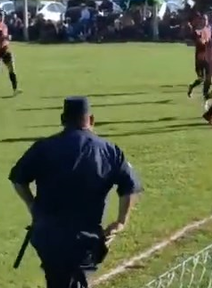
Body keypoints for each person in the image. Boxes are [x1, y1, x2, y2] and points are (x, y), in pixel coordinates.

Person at [8, 97, 142, 288]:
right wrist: (121, 221)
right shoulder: (109, 151)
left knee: (56, 280)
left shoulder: (43, 147)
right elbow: (130, 186)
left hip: (48, 237)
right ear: (92, 119)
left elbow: (18, 179)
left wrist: (33, 207)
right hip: (85, 240)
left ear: (63, 119)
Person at [187, 13, 212, 100]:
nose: (204, 21)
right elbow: (199, 42)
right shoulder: (197, 31)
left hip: (208, 57)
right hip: (200, 58)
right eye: (203, 20)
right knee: (201, 78)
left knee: (209, 78)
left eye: (206, 20)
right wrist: (205, 43)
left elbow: (211, 41)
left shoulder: (208, 30)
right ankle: (191, 87)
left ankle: (205, 95)